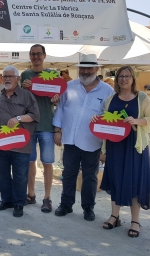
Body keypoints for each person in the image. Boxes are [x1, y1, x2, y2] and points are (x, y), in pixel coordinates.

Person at [91, 66, 150, 237]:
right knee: (116, 180)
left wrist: (136, 121)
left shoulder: (142, 98)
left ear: (133, 79)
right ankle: (115, 216)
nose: (124, 79)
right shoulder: (111, 99)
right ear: (117, 79)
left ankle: (135, 221)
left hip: (135, 147)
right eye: (121, 76)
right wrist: (96, 119)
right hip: (115, 147)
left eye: (127, 76)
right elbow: (106, 120)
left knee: (134, 182)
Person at [53, 54, 114, 221]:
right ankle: (66, 204)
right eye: (83, 68)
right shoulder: (69, 86)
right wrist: (57, 130)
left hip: (92, 141)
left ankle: (88, 207)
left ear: (96, 69)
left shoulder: (107, 91)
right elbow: (60, 109)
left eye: (89, 68)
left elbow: (112, 116)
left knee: (90, 176)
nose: (86, 71)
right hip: (71, 139)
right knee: (69, 174)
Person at [0, 65, 40, 217]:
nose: (7, 79)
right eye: (5, 76)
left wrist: (18, 118)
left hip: (19, 144)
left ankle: (18, 203)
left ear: (18, 78)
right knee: (2, 174)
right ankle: (6, 200)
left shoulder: (26, 95)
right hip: (0, 144)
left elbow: (35, 115)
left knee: (20, 175)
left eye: (11, 76)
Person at [20, 44, 60, 213]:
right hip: (30, 125)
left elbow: (59, 100)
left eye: (38, 54)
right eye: (32, 54)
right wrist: (23, 88)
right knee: (30, 162)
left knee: (47, 163)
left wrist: (56, 98)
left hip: (47, 125)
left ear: (44, 56)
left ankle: (47, 197)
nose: (35, 57)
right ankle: (31, 194)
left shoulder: (52, 74)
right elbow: (22, 100)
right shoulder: (25, 75)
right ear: (30, 57)